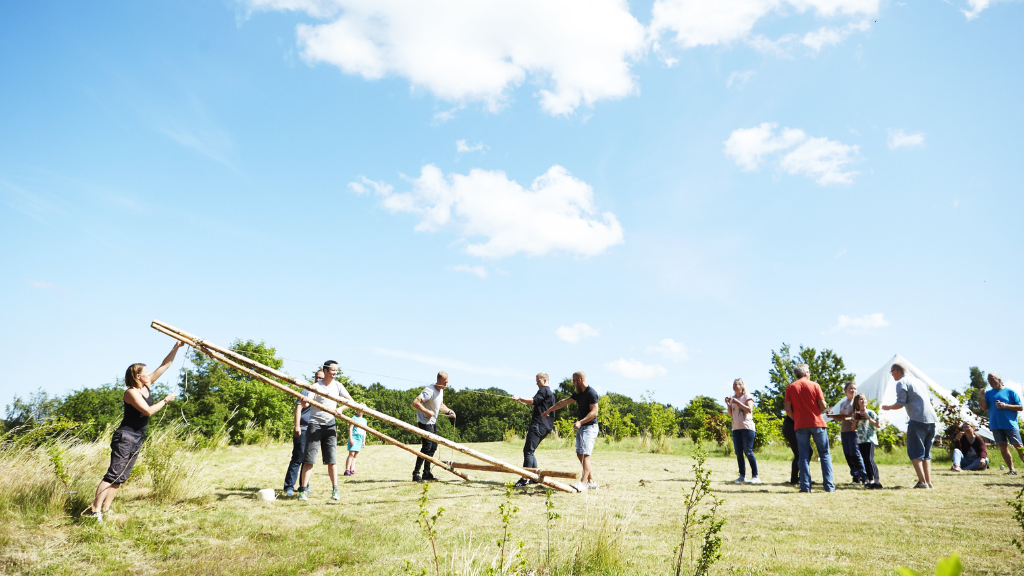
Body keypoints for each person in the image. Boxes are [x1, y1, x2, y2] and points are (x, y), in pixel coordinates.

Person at [86, 341, 183, 522]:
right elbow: (148, 411)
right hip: (125, 437)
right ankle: (95, 511)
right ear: (138, 376)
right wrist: (165, 400)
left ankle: (106, 509)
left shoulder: (146, 385)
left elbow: (165, 365)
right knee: (113, 474)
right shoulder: (131, 393)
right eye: (146, 372)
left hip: (137, 437)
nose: (150, 373)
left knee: (121, 476)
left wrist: (176, 347)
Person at [298, 360, 353, 501]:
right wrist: (304, 401)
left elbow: (350, 401)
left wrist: (340, 409)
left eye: (336, 370)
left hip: (330, 426)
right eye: (333, 370)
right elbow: (306, 403)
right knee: (309, 459)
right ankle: (303, 490)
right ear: (325, 370)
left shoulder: (338, 386)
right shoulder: (316, 386)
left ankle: (335, 490)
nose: (335, 372)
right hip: (315, 426)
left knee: (332, 460)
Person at [882, 362, 938, 488]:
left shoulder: (901, 382)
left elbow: (900, 403)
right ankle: (928, 482)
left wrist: (888, 407)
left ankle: (922, 482)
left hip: (917, 419)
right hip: (932, 420)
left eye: (892, 372)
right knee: (926, 454)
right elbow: (931, 403)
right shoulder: (920, 382)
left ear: (896, 371)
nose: (892, 375)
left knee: (915, 452)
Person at [543, 371, 599, 492]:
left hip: (590, 428)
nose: (573, 383)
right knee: (580, 454)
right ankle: (591, 482)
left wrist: (580, 422)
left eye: (574, 381)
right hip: (582, 427)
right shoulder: (579, 393)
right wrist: (549, 410)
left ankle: (582, 483)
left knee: (585, 455)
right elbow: (563, 402)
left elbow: (594, 412)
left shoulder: (591, 393)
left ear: (580, 380)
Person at [784, 363, 834, 493]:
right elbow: (822, 405)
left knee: (803, 456)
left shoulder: (790, 387)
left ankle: (805, 486)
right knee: (824, 454)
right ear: (806, 373)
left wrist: (796, 419)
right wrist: (826, 406)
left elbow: (787, 409)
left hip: (800, 424)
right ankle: (829, 486)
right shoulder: (815, 385)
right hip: (817, 422)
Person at [510, 373, 556, 488]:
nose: (537, 383)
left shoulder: (543, 390)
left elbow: (533, 400)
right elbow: (540, 404)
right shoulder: (550, 394)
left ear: (545, 380)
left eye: (538, 381)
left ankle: (524, 478)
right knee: (531, 451)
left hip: (538, 425)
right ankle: (535, 477)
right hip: (545, 426)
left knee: (528, 451)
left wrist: (519, 399)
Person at [411, 372, 456, 483]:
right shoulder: (429, 391)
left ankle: (426, 473)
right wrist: (427, 411)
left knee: (433, 446)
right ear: (438, 380)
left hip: (432, 422)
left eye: (447, 383)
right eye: (444, 383)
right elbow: (415, 403)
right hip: (424, 422)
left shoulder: (441, 391)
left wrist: (449, 411)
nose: (446, 385)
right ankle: (416, 474)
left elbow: (440, 405)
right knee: (427, 446)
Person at [284, 369, 321, 496]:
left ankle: (304, 486)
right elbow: (298, 408)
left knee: (308, 460)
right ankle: (289, 486)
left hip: (314, 430)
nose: (318, 380)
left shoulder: (323, 394)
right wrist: (297, 426)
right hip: (303, 428)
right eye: (317, 377)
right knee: (297, 457)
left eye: (321, 378)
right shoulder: (306, 391)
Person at [979, 372, 1024, 475]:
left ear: (999, 379)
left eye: (991, 378)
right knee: (1003, 448)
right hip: (996, 425)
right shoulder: (988, 393)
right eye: (988, 379)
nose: (989, 381)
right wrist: (982, 397)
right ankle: (1012, 470)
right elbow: (983, 408)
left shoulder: (1010, 392)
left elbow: (1020, 407)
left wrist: (1005, 406)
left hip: (1010, 424)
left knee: (1019, 446)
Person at [829, 382, 867, 484]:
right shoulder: (843, 404)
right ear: (845, 390)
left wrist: (846, 418)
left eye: (855, 389)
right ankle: (855, 477)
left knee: (855, 455)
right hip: (844, 431)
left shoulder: (857, 403)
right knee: (848, 455)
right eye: (851, 388)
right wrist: (834, 417)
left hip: (853, 431)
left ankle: (864, 477)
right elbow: (842, 417)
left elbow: (858, 416)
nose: (853, 390)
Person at [725, 378, 760, 484]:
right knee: (738, 452)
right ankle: (742, 476)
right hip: (736, 428)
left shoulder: (747, 396)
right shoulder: (733, 398)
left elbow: (749, 410)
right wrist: (728, 404)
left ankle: (755, 476)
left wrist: (737, 402)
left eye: (736, 384)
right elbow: (731, 414)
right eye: (733, 384)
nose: (734, 386)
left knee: (748, 452)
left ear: (742, 386)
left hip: (747, 427)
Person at [851, 393, 883, 489]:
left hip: (870, 439)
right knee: (865, 460)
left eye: (864, 399)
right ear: (857, 402)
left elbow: (878, 425)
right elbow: (853, 428)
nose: (863, 401)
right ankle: (870, 481)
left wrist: (869, 418)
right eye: (861, 399)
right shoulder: (856, 414)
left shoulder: (871, 412)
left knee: (870, 459)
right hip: (861, 439)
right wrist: (855, 419)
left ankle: (877, 481)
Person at [345, 408, 368, 476]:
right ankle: (347, 470)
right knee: (351, 454)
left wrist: (363, 441)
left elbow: (364, 431)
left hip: (359, 439)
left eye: (362, 410)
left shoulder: (365, 421)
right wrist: (351, 439)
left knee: (355, 455)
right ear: (357, 410)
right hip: (354, 437)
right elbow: (350, 428)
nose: (360, 411)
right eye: (359, 410)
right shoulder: (354, 418)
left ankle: (352, 469)